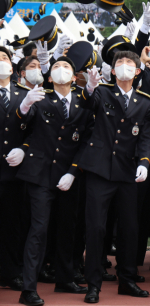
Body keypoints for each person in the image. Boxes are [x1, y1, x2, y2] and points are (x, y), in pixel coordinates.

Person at [11, 57, 93, 306]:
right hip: (40, 173)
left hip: (68, 174)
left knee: (68, 227)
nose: (61, 71)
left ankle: (65, 277)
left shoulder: (84, 101)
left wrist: (73, 171)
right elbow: (23, 124)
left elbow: (88, 140)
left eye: (66, 67)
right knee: (39, 229)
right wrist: (23, 107)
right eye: (56, 67)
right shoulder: (40, 96)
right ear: (49, 77)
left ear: (74, 75)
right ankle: (29, 288)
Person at [79, 50, 150, 304]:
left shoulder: (144, 101)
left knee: (130, 229)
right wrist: (89, 88)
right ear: (112, 71)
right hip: (99, 170)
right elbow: (89, 104)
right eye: (119, 63)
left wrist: (144, 162)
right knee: (97, 227)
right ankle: (93, 284)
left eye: (129, 63)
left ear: (138, 71)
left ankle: (127, 280)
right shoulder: (102, 92)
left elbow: (146, 137)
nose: (123, 67)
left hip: (127, 172)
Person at [0, 46, 33, 292]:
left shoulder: (24, 93)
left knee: (12, 224)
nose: (1, 62)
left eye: (4, 58)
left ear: (12, 66)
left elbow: (37, 130)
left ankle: (11, 272)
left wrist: (25, 147)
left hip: (14, 171)